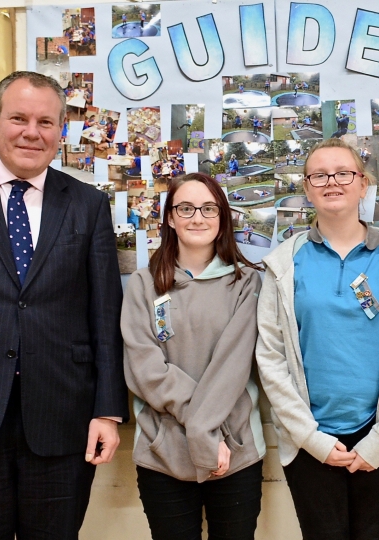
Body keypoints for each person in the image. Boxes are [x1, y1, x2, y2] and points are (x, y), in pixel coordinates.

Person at [0, 71, 127, 538]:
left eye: (46, 122)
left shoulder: (89, 204)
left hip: (61, 419)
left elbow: (104, 314)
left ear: (61, 131)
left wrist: (108, 412)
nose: (32, 132)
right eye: (18, 118)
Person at [256, 138, 379, 540]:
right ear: (306, 186)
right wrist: (311, 439)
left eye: (343, 173)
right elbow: (271, 357)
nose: (331, 182)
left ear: (363, 184)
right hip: (310, 442)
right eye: (319, 175)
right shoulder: (283, 263)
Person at [122, 173, 265, 540]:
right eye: (185, 208)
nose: (197, 218)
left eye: (207, 209)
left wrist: (208, 433)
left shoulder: (247, 282)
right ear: (170, 217)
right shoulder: (143, 283)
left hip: (234, 450)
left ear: (222, 218)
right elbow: (145, 368)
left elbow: (232, 366)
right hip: (162, 452)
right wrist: (202, 431)